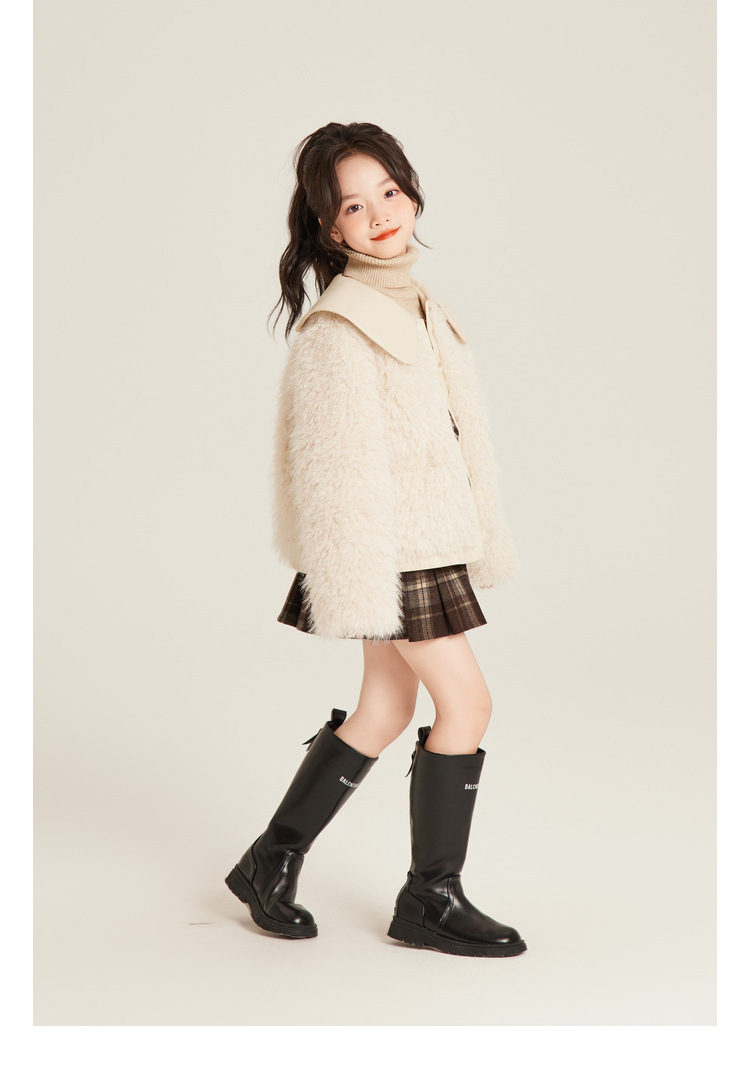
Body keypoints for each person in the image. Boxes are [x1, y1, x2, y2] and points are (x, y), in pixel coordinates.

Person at [224, 121, 527, 958]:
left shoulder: (418, 304)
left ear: (412, 191)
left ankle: (270, 860)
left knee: (386, 707)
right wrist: (364, 580)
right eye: (354, 206)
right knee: (467, 705)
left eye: (389, 192)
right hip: (391, 550)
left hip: (424, 538)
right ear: (330, 228)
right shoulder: (340, 328)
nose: (381, 214)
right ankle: (431, 897)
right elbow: (331, 474)